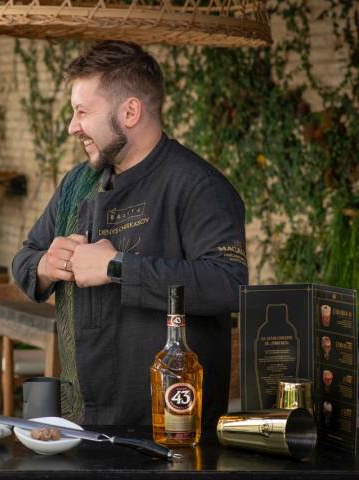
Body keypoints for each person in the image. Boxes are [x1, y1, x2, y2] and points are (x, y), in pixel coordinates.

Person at [13, 41, 248, 427]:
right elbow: (24, 259)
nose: (73, 126)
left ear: (130, 111)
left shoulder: (199, 186)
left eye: (82, 112)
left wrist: (117, 267)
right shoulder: (77, 183)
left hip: (169, 428)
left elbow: (228, 283)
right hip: (81, 421)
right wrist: (44, 264)